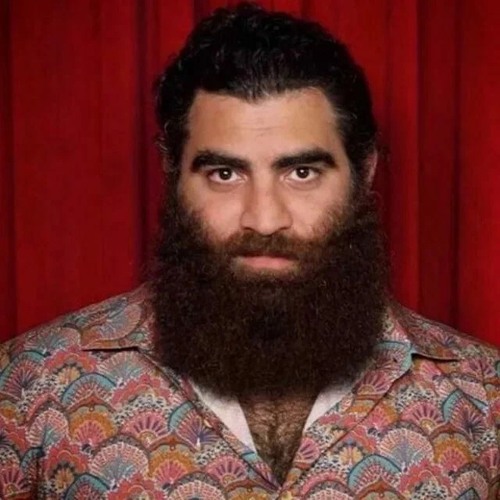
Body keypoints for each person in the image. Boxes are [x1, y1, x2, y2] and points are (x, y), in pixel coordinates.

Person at [1, 3, 498, 498]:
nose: (263, 219)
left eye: (301, 173)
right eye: (225, 174)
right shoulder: (29, 387)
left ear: (364, 172)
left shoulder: (485, 397)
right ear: (173, 173)